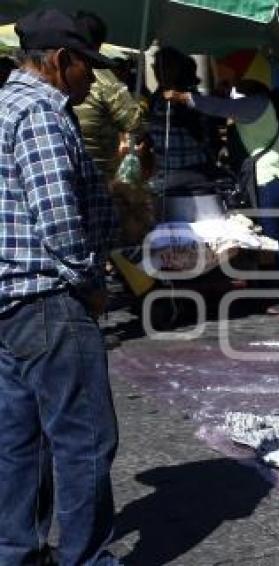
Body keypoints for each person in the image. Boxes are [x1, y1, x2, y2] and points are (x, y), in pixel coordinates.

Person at [0, 9, 119, 564]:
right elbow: (59, 217)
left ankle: (16, 552)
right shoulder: (40, 112)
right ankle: (86, 558)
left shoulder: (6, 105)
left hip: (11, 297)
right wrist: (89, 282)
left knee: (20, 438)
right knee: (84, 438)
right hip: (48, 296)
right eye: (86, 67)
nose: (92, 81)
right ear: (58, 60)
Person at [163, 76, 279, 275]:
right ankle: (271, 286)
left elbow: (220, 107)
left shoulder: (256, 104)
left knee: (272, 236)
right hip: (268, 178)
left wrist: (184, 97)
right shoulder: (259, 105)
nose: (234, 91)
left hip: (270, 178)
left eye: (237, 87)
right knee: (264, 237)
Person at [73, 10, 145, 180]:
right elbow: (134, 122)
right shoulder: (103, 78)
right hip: (98, 174)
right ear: (99, 44)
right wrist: (141, 102)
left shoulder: (54, 72)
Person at [148, 46, 219, 191]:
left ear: (176, 68)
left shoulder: (190, 97)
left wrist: (179, 103)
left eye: (163, 66)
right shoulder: (156, 99)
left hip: (193, 174)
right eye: (155, 66)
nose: (157, 71)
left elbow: (203, 132)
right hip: (165, 174)